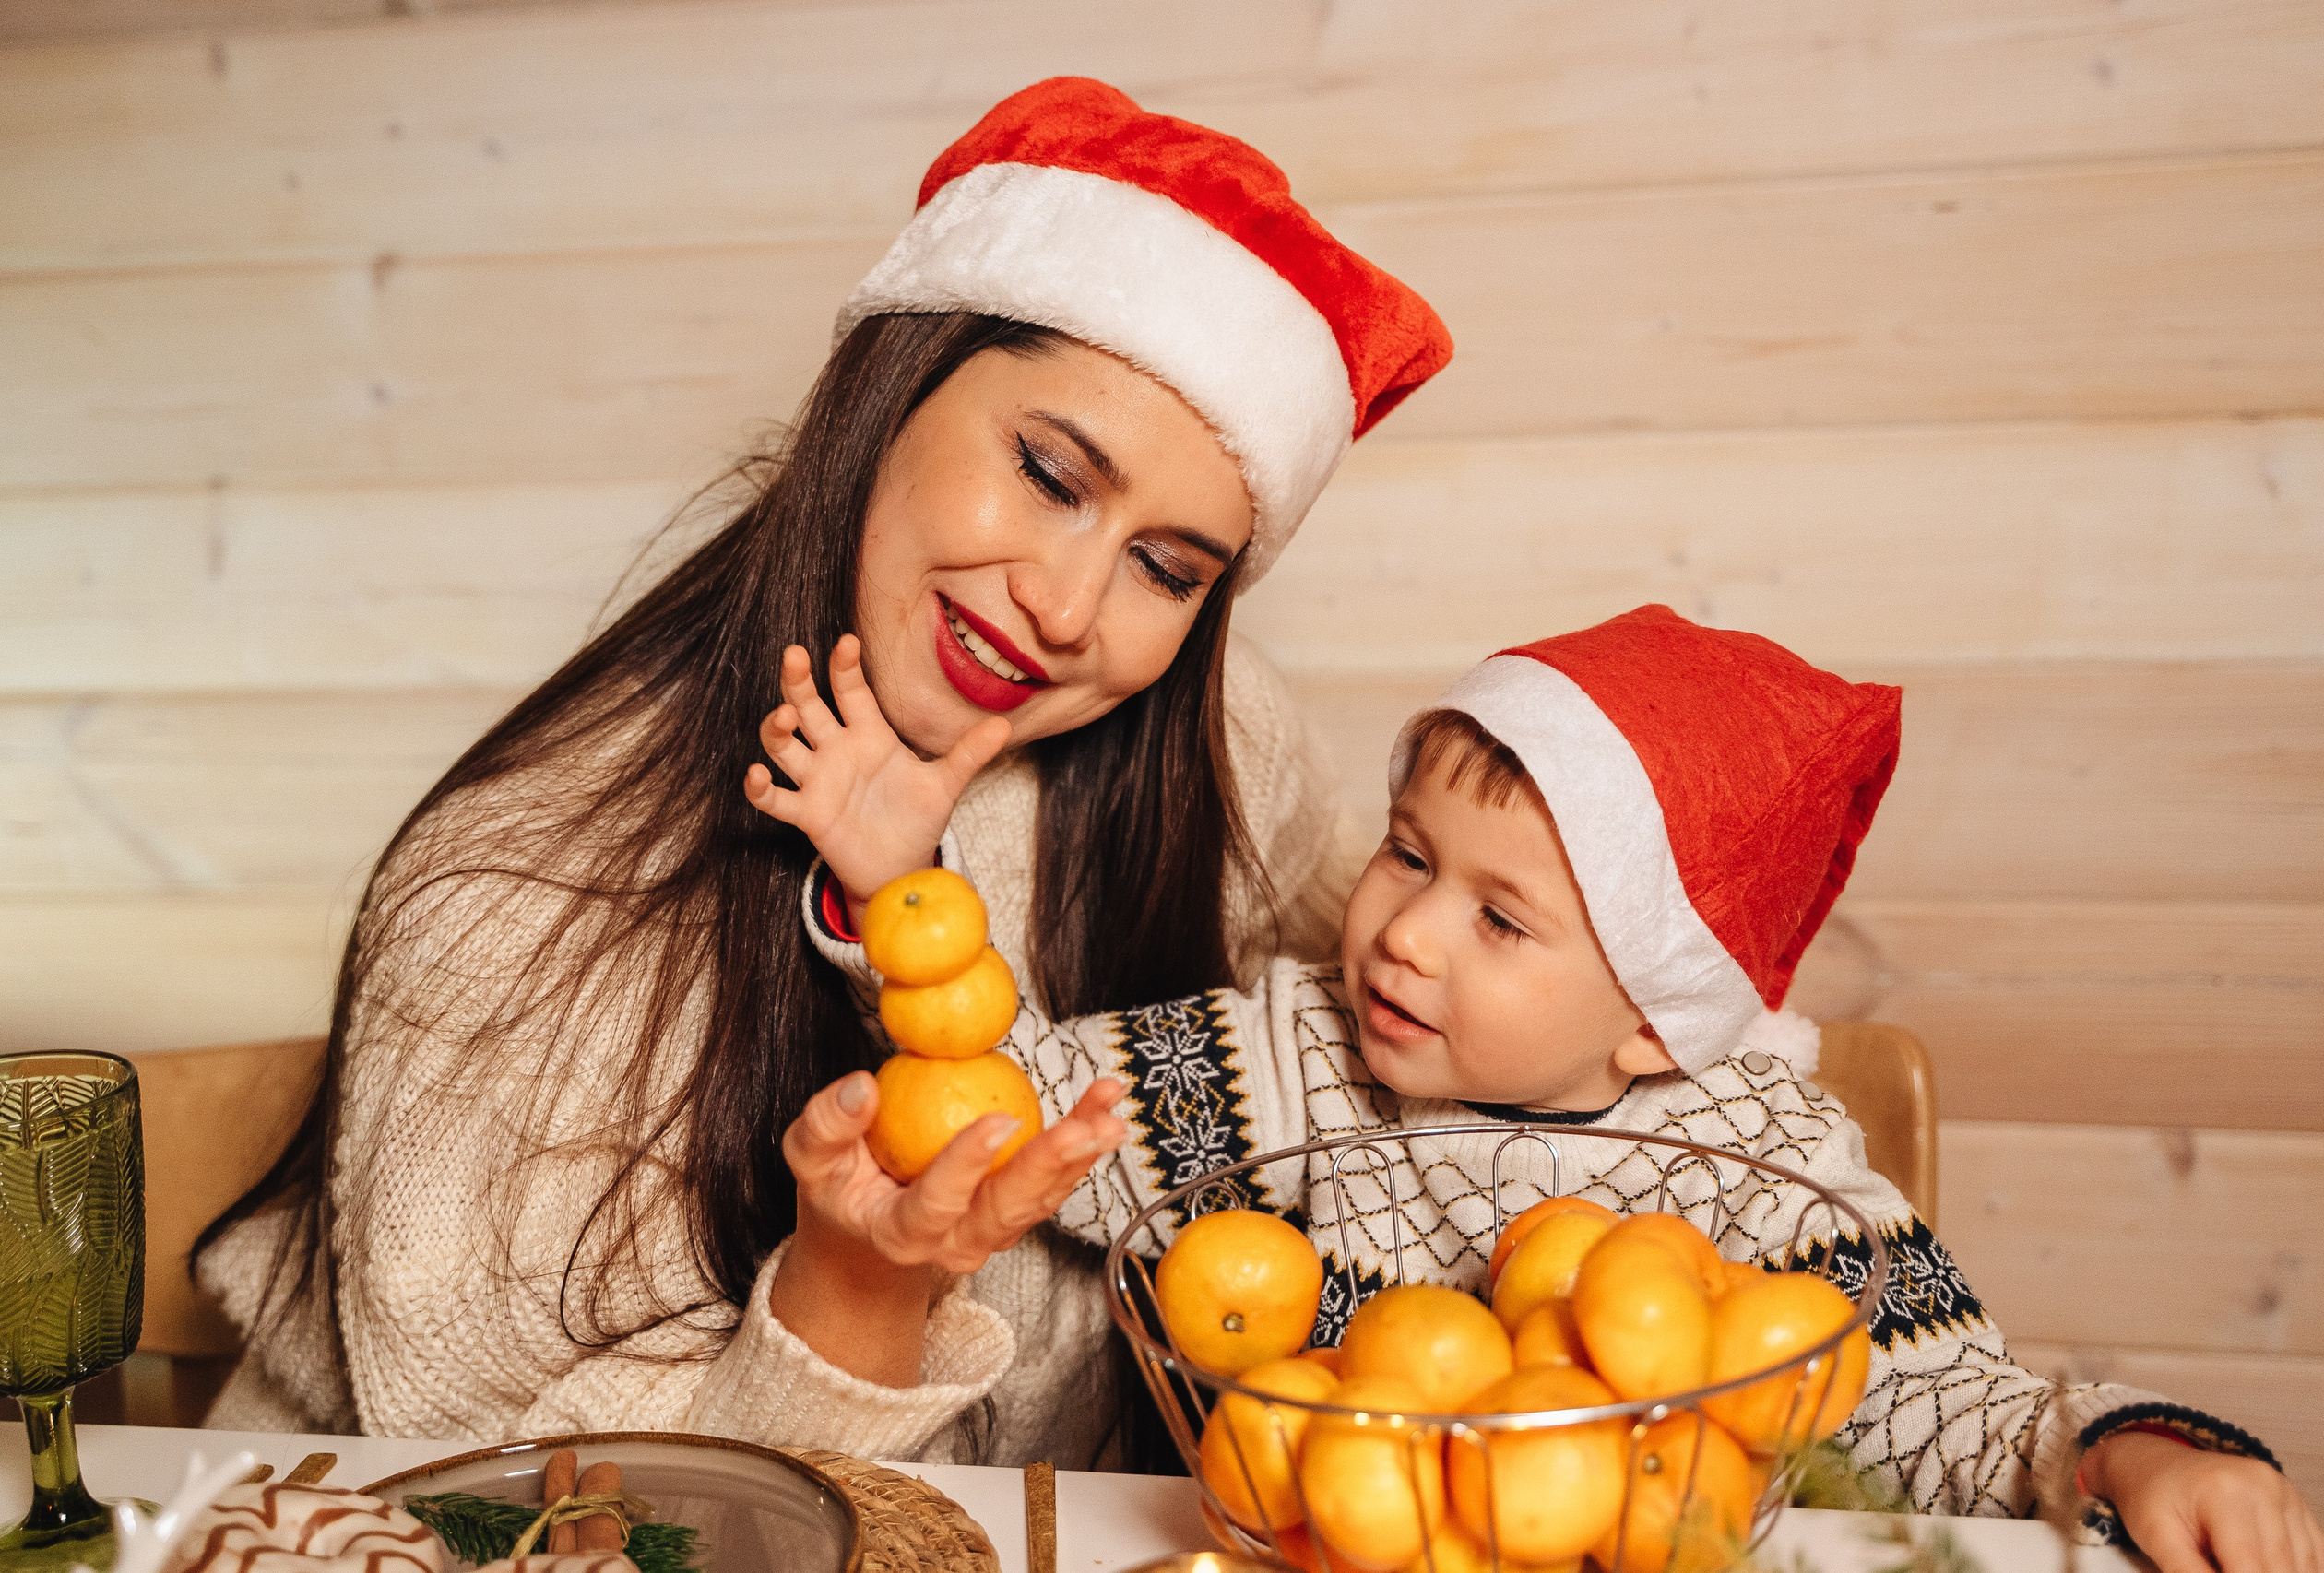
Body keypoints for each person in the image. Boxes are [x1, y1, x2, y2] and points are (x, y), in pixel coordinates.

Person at [190, 76, 1452, 1471]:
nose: (1071, 606)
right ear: (890, 389)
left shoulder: (1216, 748)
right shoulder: (524, 883)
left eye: (1167, 568)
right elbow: (502, 1501)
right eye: (1048, 472)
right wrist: (853, 1293)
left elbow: (1410, 990)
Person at [769, 605, 2324, 1572]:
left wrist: (2149, 1449)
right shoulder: (1292, 1050)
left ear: (1657, 1021)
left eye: (1501, 919)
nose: (1405, 933)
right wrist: (901, 878)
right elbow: (1034, 1120)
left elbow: (1951, 1415)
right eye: (1408, 854)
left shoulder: (1759, 1156)